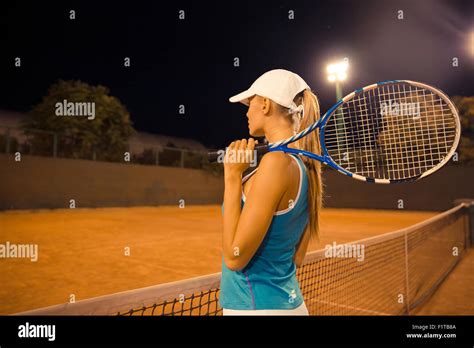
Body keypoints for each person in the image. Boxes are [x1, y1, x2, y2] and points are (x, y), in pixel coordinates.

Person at [220, 69, 323, 315]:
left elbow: (235, 258)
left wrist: (233, 177)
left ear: (265, 104)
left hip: (256, 308)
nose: (246, 112)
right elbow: (296, 259)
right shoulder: (305, 166)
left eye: (250, 102)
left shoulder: (276, 163)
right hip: (287, 305)